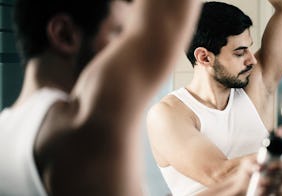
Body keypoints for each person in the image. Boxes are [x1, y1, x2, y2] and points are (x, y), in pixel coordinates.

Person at [0, 0, 202, 195]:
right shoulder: (78, 125)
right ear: (64, 34)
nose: (126, 50)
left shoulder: (7, 130)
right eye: (119, 33)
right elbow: (167, 17)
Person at [147, 1, 282, 195]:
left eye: (249, 48)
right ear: (204, 57)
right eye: (240, 53)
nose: (252, 59)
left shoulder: (254, 86)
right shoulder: (167, 114)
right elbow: (220, 175)